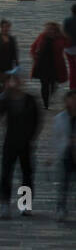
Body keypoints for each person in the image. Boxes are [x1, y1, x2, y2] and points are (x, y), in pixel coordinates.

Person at [0, 75, 40, 219]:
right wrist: (2, 96)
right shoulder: (5, 99)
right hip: (10, 142)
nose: (15, 84)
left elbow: (37, 120)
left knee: (26, 174)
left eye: (17, 80)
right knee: (6, 174)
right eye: (12, 81)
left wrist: (31, 137)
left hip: (26, 143)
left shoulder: (30, 100)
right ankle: (5, 205)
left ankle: (25, 205)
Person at [49, 90, 76, 221]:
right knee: (64, 183)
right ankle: (61, 207)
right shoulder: (60, 118)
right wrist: (53, 155)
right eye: (71, 99)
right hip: (66, 155)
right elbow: (56, 137)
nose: (73, 102)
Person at [30, 21, 68, 109]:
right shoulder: (42, 36)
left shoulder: (61, 38)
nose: (49, 31)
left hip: (55, 66)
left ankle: (50, 97)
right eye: (48, 29)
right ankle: (45, 105)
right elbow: (33, 47)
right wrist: (34, 56)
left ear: (56, 30)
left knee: (53, 84)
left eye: (51, 29)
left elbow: (68, 45)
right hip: (42, 65)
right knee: (44, 85)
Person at [0, 19, 20, 93]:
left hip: (8, 64)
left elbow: (15, 52)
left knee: (7, 83)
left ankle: (6, 97)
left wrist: (17, 63)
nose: (6, 28)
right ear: (1, 27)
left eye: (8, 27)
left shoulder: (12, 39)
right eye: (4, 27)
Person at [62, 4, 76, 91]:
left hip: (69, 48)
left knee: (72, 68)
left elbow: (64, 33)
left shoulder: (66, 20)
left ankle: (72, 87)